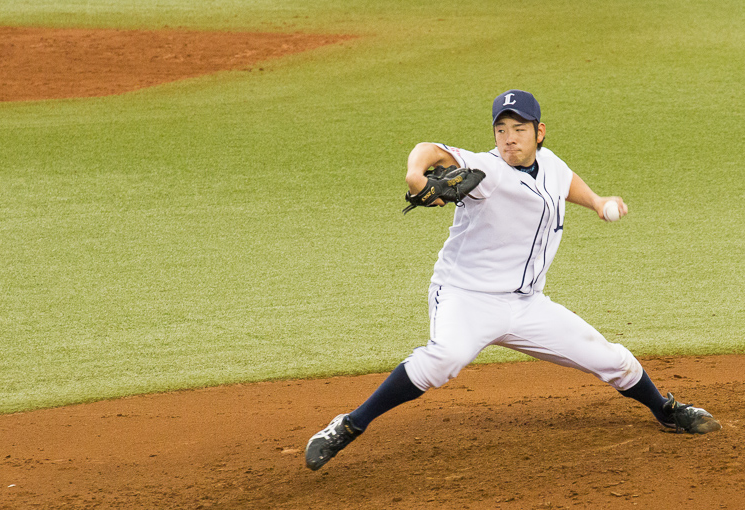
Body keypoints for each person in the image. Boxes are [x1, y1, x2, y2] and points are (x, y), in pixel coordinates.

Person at [305, 89, 720, 471]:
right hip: (468, 299)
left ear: (539, 132)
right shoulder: (487, 170)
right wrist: (417, 175)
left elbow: (562, 180)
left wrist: (596, 201)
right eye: (501, 130)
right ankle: (348, 425)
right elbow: (428, 150)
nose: (509, 138)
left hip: (527, 306)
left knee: (612, 358)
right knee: (443, 360)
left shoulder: (551, 163)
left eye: (518, 129)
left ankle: (665, 411)